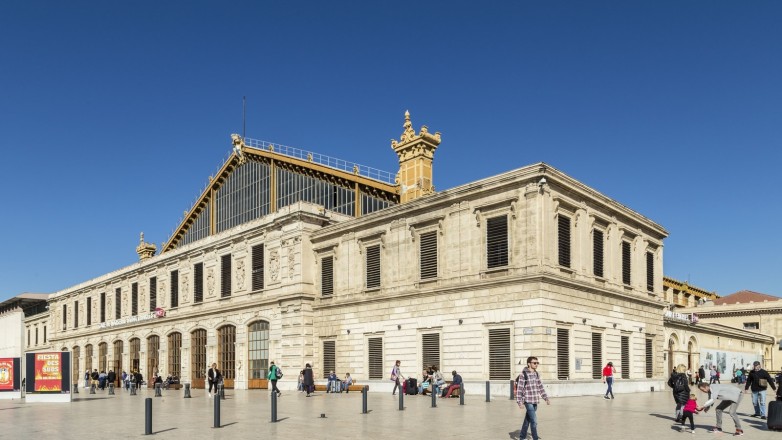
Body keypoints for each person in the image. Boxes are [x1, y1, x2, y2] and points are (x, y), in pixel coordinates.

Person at [516, 356, 551, 440]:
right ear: (529, 364)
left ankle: (522, 437)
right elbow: (519, 389)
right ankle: (535, 438)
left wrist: (546, 398)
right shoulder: (523, 374)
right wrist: (519, 402)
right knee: (534, 421)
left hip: (535, 400)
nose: (536, 364)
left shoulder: (536, 374)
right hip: (528, 401)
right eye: (534, 363)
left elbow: (540, 387)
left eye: (537, 363)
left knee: (527, 420)